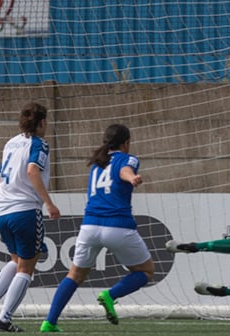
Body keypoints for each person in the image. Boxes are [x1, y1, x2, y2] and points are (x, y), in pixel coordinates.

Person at [40, 124, 154, 333]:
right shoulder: (128, 158)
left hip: (90, 226)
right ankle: (110, 295)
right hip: (118, 226)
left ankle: (49, 322)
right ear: (125, 142)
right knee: (146, 271)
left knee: (74, 275)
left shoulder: (97, 163)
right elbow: (124, 170)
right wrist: (132, 178)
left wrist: (128, 177)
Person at [0, 102, 61, 332]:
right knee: (26, 268)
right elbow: (33, 170)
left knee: (16, 261)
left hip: (1, 209)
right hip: (24, 210)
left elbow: (0, 175)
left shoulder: (10, 143)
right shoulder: (40, 144)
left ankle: (1, 314)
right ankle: (4, 319)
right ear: (42, 122)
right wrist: (49, 203)